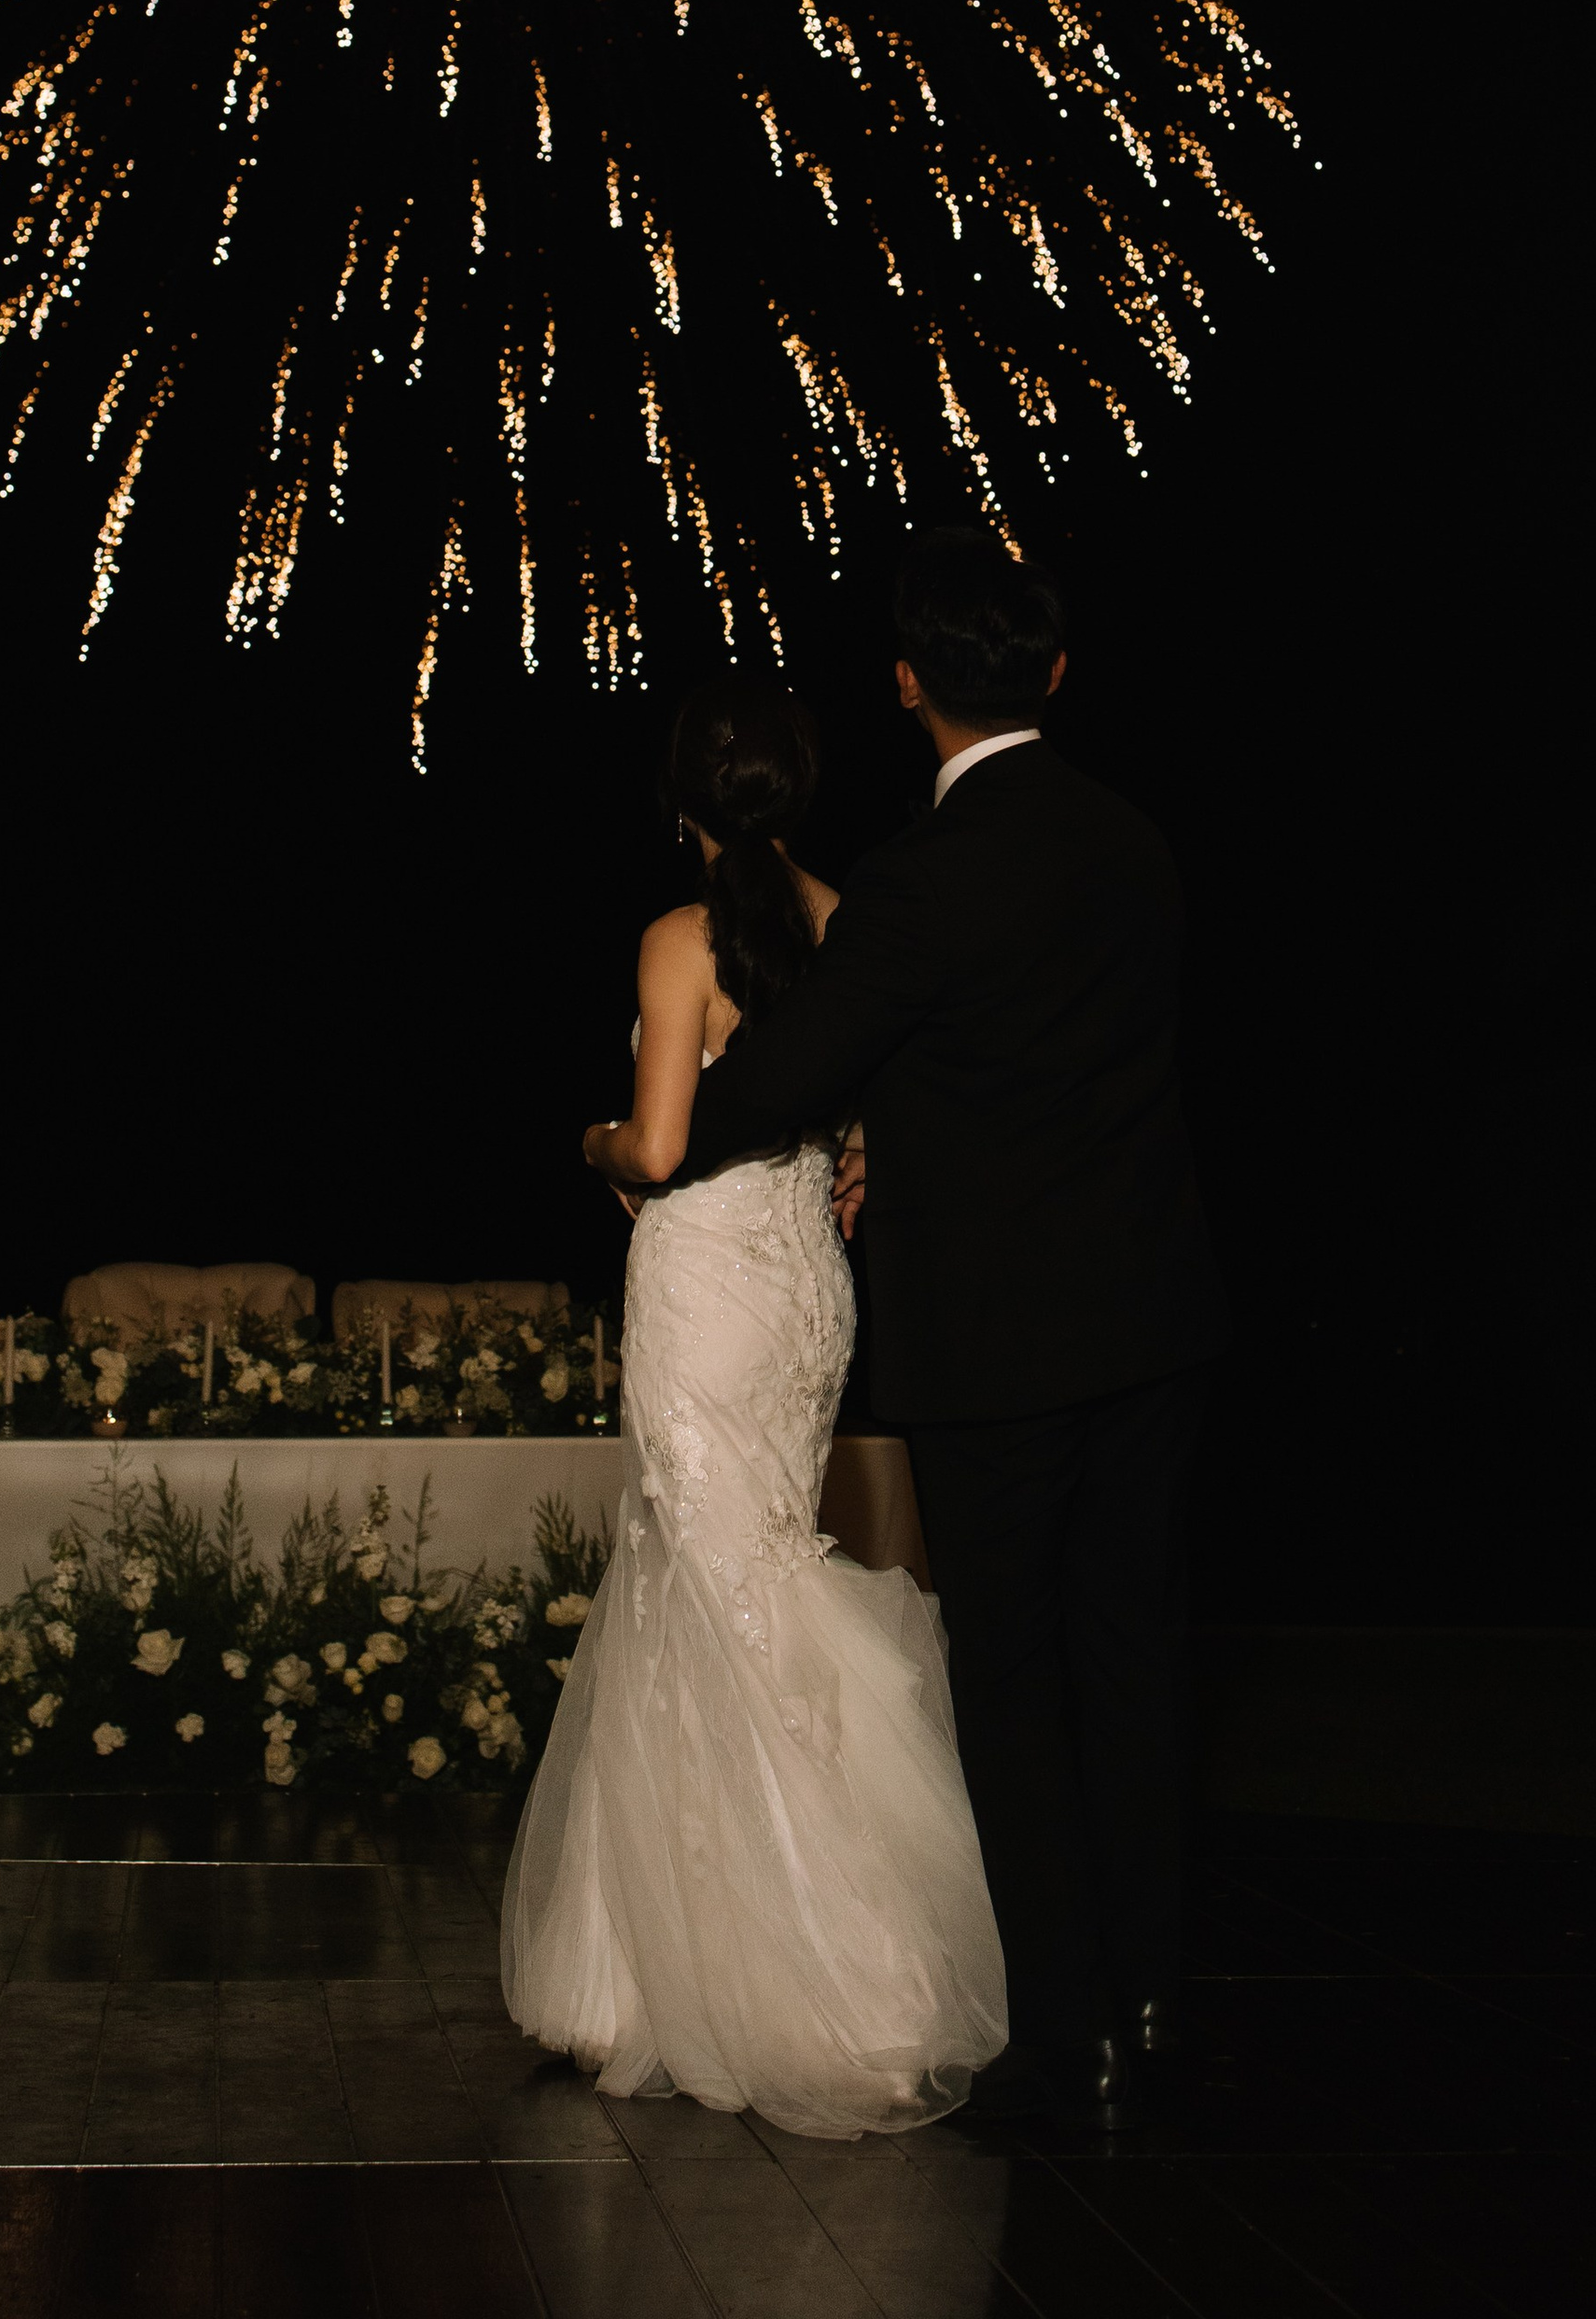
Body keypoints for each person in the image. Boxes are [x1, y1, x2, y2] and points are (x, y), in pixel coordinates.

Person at [679, 527, 1228, 2129]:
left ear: (909, 684)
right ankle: (1151, 1998)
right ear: (1055, 674)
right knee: (1135, 1664)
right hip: (1158, 1321)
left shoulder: (919, 884)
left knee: (1013, 1675)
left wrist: (655, 1140)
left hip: (996, 1343)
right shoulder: (1139, 845)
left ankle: (1068, 2030)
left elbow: (784, 1078)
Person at [498, 671, 1007, 2138]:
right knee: (744, 1570)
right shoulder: (852, 921)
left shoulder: (678, 938)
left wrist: (587, 1137)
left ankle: (809, 1971)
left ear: (681, 800)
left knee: (709, 1581)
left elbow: (659, 1149)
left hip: (708, 1283)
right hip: (802, 1293)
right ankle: (669, 1964)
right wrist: (856, 1163)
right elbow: (873, 1120)